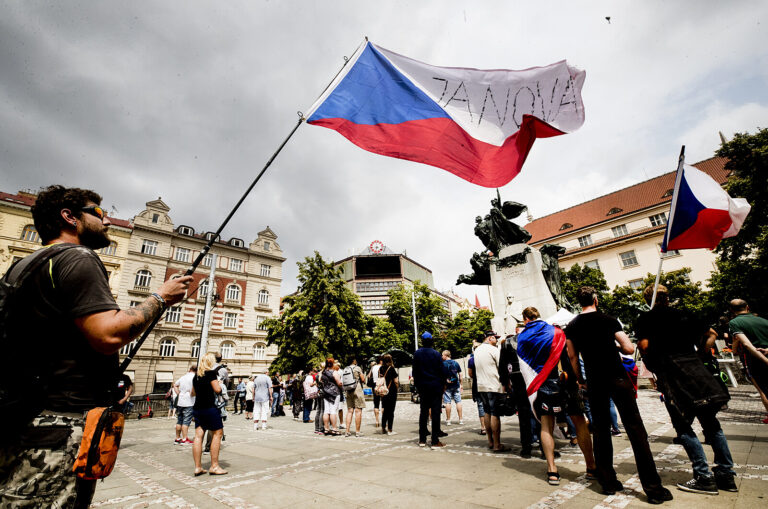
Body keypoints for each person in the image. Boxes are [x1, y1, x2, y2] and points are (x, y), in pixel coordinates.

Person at [0, 185, 192, 507]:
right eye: (99, 214)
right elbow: (108, 335)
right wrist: (162, 298)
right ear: (69, 217)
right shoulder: (77, 257)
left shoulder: (24, 266)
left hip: (22, 420)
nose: (107, 222)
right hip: (59, 428)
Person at [566, 286, 672, 504]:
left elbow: (573, 357)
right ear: (595, 299)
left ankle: (607, 481)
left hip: (595, 380)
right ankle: (653, 487)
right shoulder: (608, 319)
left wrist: (581, 379)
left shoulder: (572, 325)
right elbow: (627, 347)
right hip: (617, 377)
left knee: (601, 430)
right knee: (635, 428)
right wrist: (612, 347)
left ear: (580, 302)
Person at [637, 284, 736, 495]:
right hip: (695, 368)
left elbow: (644, 347)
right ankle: (726, 474)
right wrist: (700, 353)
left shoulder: (646, 319)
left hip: (673, 374)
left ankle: (703, 476)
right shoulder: (685, 315)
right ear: (668, 297)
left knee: (683, 426)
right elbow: (712, 334)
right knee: (711, 424)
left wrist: (654, 364)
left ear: (649, 300)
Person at [516, 307, 596, 485]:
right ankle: (591, 466)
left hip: (543, 383)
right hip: (566, 380)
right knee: (579, 421)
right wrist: (580, 379)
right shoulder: (557, 332)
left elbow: (523, 366)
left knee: (546, 425)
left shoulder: (521, 338)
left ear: (525, 319)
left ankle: (552, 469)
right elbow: (571, 356)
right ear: (538, 316)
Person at [729, 299, 768, 417]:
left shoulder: (734, 323)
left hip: (756, 361)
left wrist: (765, 360)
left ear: (731, 310)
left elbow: (746, 344)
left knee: (763, 391)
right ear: (747, 307)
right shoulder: (764, 320)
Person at [191, 353, 227, 476]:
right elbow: (217, 390)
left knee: (198, 436)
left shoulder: (195, 377)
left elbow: (193, 393)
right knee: (218, 433)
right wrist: (220, 385)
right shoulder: (211, 373)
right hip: (209, 408)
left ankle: (198, 467)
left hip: (197, 408)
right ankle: (215, 466)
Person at [498, 334, 533, 457]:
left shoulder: (507, 343)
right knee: (539, 414)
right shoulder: (534, 337)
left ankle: (526, 447)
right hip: (534, 378)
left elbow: (502, 365)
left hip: (517, 380)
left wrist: (505, 382)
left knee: (523, 415)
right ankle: (543, 448)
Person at [474, 331, 509, 453]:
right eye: (495, 338)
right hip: (493, 385)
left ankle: (490, 441)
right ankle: (497, 444)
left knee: (487, 412)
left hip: (481, 386)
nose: (497, 340)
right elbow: (502, 367)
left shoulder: (477, 350)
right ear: (489, 338)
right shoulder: (493, 350)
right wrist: (506, 384)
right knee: (495, 414)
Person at [413, 332, 446, 448]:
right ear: (431, 340)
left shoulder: (417, 354)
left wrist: (418, 386)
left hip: (423, 387)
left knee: (424, 413)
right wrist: (443, 385)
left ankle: (422, 440)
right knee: (436, 413)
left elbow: (415, 373)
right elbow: (442, 372)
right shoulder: (436, 354)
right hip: (435, 386)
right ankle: (435, 440)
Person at [467, 340, 487, 436]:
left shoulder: (471, 360)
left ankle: (483, 427)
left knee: (480, 406)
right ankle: (491, 426)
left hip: (478, 384)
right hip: (488, 383)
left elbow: (470, 374)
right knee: (490, 405)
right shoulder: (486, 357)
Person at [344, 356, 367, 436]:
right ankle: (357, 432)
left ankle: (347, 431)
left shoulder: (345, 369)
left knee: (350, 411)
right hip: (357, 389)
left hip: (348, 390)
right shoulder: (357, 368)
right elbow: (363, 379)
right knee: (358, 410)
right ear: (354, 360)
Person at [175, 366, 197, 444]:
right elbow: (194, 389)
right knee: (186, 421)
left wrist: (178, 393)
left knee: (179, 420)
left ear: (190, 369)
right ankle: (184, 439)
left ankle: (177, 438)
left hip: (180, 401)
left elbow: (175, 385)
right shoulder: (195, 377)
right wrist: (193, 394)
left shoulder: (183, 376)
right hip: (189, 401)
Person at [379, 354, 399, 435]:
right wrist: (397, 388)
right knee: (391, 411)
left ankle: (383, 428)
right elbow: (396, 381)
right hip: (391, 391)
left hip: (383, 391)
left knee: (385, 410)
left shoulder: (380, 368)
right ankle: (390, 429)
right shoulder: (391, 369)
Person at [321, 359, 342, 435]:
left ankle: (326, 429)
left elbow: (321, 381)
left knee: (326, 411)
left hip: (326, 392)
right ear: (332, 364)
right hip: (334, 393)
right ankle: (334, 429)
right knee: (333, 411)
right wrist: (342, 385)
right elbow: (339, 383)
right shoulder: (334, 372)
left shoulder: (323, 372)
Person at [441, 350, 463, 425]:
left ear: (446, 355)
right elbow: (460, 375)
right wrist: (461, 384)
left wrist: (443, 386)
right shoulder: (456, 363)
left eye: (442, 355)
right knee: (458, 402)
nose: (441, 356)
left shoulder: (442, 364)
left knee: (447, 403)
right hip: (456, 385)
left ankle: (448, 420)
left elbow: (442, 377)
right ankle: (460, 420)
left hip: (447, 386)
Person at [368, 357, 383, 428]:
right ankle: (384, 421)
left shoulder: (373, 368)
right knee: (384, 404)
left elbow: (368, 376)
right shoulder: (382, 367)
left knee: (376, 403)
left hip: (374, 386)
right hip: (382, 386)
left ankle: (377, 421)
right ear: (380, 361)